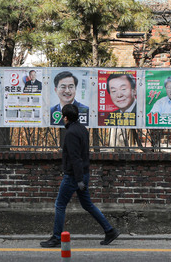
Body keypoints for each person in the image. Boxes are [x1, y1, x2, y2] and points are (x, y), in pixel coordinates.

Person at [40, 104, 119, 248]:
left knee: (60, 204)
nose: (63, 119)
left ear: (66, 117)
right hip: (83, 174)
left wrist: (78, 180)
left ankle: (56, 237)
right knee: (87, 204)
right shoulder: (82, 129)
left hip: (73, 177)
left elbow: (75, 158)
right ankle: (110, 230)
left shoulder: (71, 133)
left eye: (63, 116)